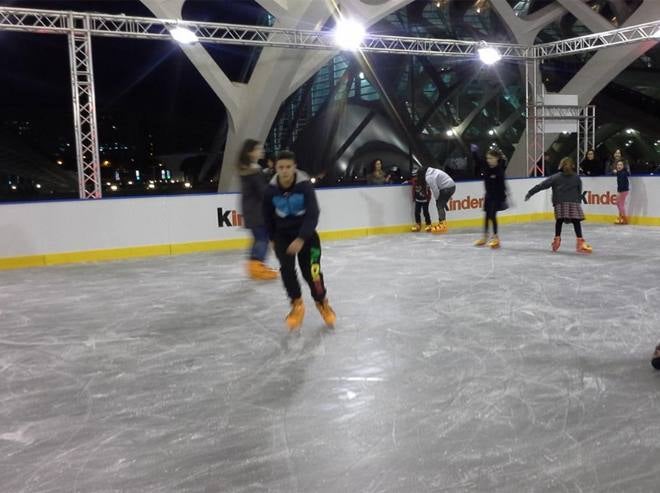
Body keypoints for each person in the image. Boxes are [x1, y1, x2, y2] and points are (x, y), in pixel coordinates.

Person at [263, 150, 336, 331]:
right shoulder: (270, 190)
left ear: (295, 167)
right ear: (276, 168)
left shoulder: (304, 187)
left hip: (308, 237)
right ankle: (297, 304)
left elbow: (313, 214)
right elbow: (266, 216)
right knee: (287, 271)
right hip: (282, 236)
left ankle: (322, 302)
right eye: (281, 167)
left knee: (312, 273)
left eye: (288, 167)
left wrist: (302, 238)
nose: (285, 171)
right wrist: (271, 237)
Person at [525, 157, 593, 254]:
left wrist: (530, 193)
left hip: (559, 203)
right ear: (572, 166)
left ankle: (557, 240)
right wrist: (577, 201)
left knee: (559, 221)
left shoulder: (556, 177)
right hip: (573, 202)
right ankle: (580, 242)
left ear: (561, 166)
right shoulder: (576, 177)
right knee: (576, 222)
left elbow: (542, 185)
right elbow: (579, 191)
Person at [237, 139, 278, 280]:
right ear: (250, 152)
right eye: (259, 149)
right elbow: (262, 191)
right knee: (263, 239)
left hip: (253, 210)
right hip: (257, 211)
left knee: (259, 238)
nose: (262, 151)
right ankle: (256, 267)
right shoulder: (253, 171)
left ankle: (256, 266)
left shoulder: (250, 169)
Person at [474, 149, 507, 249]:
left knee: (492, 215)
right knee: (487, 216)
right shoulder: (486, 167)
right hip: (488, 196)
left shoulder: (499, 171)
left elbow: (502, 186)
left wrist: (502, 198)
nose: (488, 160)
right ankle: (484, 237)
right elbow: (479, 161)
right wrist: (474, 152)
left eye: (491, 158)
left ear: (496, 159)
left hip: (497, 197)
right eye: (487, 158)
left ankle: (496, 238)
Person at [417, 165, 456, 234]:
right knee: (441, 205)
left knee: (439, 205)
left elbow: (435, 189)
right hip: (451, 186)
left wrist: (437, 199)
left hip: (446, 188)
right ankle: (442, 223)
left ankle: (442, 224)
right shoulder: (433, 171)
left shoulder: (429, 177)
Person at [614, 160, 630, 225]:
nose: (619, 166)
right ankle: (622, 217)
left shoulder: (623, 173)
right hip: (622, 190)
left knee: (620, 204)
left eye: (621, 165)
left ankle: (624, 218)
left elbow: (622, 183)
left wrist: (619, 192)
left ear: (623, 166)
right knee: (619, 204)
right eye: (618, 165)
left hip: (623, 190)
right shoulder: (620, 172)